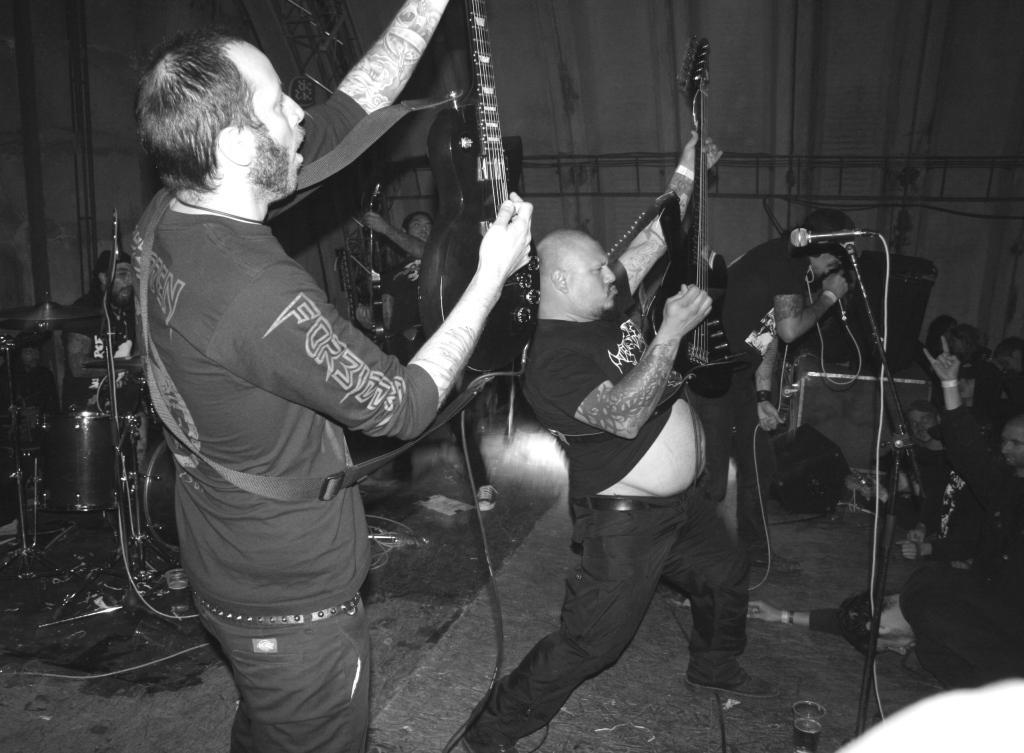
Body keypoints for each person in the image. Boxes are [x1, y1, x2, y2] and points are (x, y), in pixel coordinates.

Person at [131, 2, 533, 750]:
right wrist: (489, 277)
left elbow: (349, 114)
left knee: (268, 728)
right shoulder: (257, 293)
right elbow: (401, 404)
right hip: (291, 601)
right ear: (233, 144)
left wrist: (426, 7)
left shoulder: (171, 211)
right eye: (278, 104)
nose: (298, 115)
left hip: (225, 552)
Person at [462, 134, 774, 753]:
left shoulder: (600, 304)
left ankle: (713, 665)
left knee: (726, 571)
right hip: (625, 519)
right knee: (592, 643)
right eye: (596, 271)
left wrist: (688, 167)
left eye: (608, 267)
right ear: (559, 281)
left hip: (681, 508)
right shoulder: (550, 359)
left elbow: (654, 239)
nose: (612, 275)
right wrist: (670, 333)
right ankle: (490, 730)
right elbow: (623, 416)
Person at [687, 208, 853, 571]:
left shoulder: (788, 265)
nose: (838, 264)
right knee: (712, 481)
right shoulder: (786, 263)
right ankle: (689, 564)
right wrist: (828, 298)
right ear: (824, 248)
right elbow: (790, 330)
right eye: (837, 254)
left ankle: (755, 553)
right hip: (710, 377)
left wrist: (762, 396)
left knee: (760, 466)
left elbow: (768, 335)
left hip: (737, 379)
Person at [62, 248, 137, 413]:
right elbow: (78, 366)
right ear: (103, 278)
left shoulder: (131, 311)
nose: (129, 281)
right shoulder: (84, 310)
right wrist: (122, 367)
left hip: (124, 403)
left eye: (132, 275)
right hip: (87, 407)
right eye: (122, 274)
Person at [360, 209, 432, 363]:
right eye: (417, 225)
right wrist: (369, 318)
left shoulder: (439, 256)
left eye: (428, 226)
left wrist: (385, 228)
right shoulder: (389, 274)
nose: (424, 229)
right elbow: (385, 318)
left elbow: (424, 251)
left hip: (433, 335)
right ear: (404, 232)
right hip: (403, 348)